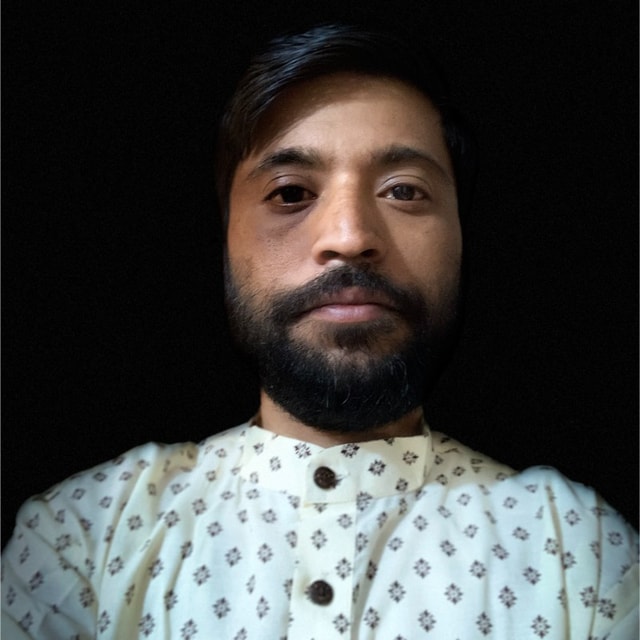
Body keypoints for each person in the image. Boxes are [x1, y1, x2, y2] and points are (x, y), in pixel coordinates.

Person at [2, 23, 637, 639]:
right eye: (290, 193)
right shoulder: (83, 536)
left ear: (463, 240)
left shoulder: (577, 549)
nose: (349, 237)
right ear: (224, 242)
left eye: (404, 191)